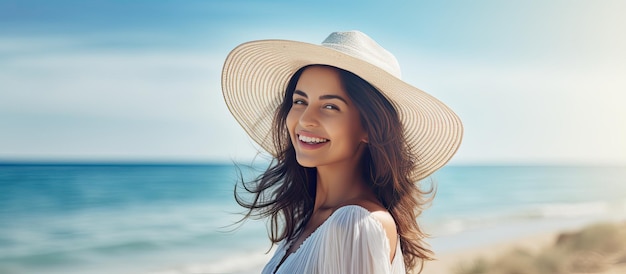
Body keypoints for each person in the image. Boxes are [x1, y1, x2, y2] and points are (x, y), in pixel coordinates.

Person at [221, 30, 463, 273]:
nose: (305, 120)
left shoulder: (355, 225)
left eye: (330, 106)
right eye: (300, 101)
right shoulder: (305, 225)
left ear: (369, 127)